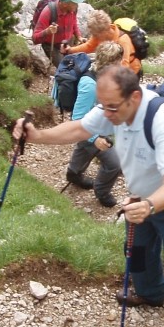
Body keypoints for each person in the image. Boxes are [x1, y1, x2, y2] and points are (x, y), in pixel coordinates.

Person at [13, 65, 164, 327]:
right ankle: (151, 293)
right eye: (103, 106)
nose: (106, 114)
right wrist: (37, 136)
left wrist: (149, 206)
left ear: (134, 97)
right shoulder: (114, 109)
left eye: (111, 107)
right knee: (137, 251)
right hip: (141, 196)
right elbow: (79, 129)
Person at [65, 41, 124, 207]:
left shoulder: (105, 76)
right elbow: (77, 118)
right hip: (90, 131)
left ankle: (74, 173)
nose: (121, 64)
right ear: (110, 63)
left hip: (98, 128)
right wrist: (95, 138)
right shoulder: (90, 85)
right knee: (114, 164)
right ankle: (102, 191)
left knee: (84, 148)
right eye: (118, 61)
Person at [63, 9, 142, 77]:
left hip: (131, 72)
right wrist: (70, 50)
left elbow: (124, 64)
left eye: (95, 34)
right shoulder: (98, 35)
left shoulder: (123, 40)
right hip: (113, 70)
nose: (93, 36)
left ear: (104, 31)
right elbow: (88, 46)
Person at [31, 0, 84, 67]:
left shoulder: (72, 10)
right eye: (75, 3)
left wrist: (79, 37)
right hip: (52, 45)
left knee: (73, 66)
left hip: (67, 43)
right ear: (65, 4)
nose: (77, 5)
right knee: (63, 68)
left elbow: (73, 24)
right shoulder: (48, 12)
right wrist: (47, 31)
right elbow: (35, 38)